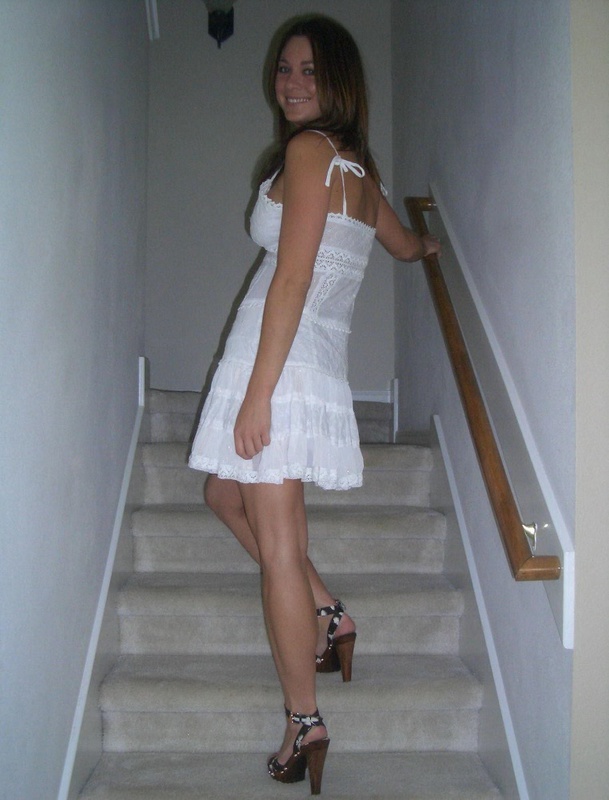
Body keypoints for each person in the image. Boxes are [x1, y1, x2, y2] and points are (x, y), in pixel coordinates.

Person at [188, 14, 441, 795]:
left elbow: (291, 281)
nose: (290, 83)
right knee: (221, 493)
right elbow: (403, 245)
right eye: (283, 69)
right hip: (305, 362)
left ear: (338, 81)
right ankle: (328, 610)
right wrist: (432, 244)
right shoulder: (361, 174)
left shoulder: (308, 153)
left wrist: (257, 396)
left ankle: (304, 719)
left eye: (307, 70)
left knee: (277, 544)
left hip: (279, 364)